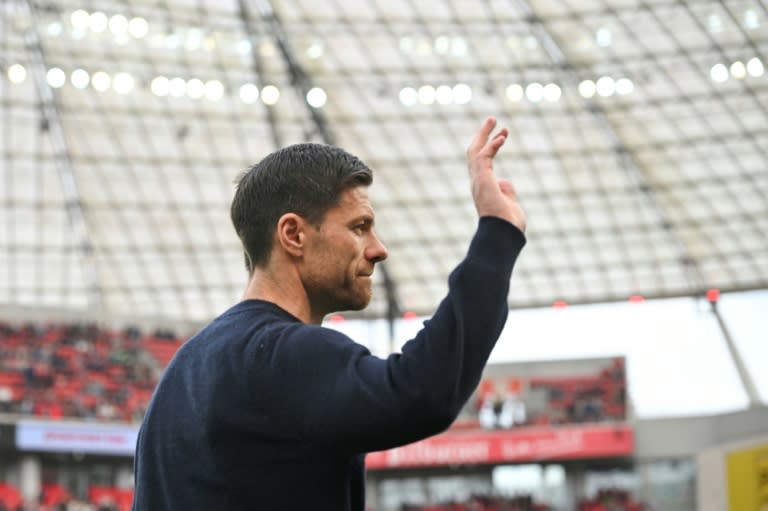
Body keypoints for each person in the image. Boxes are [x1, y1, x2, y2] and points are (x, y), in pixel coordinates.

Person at [131, 117, 527, 510]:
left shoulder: (180, 374)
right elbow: (421, 391)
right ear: (294, 235)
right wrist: (497, 234)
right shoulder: (284, 354)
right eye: (360, 227)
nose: (378, 249)